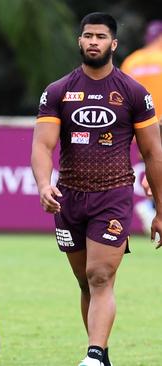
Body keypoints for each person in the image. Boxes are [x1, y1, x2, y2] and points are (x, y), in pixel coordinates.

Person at [32, 12, 162, 366]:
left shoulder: (133, 92)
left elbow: (152, 152)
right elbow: (43, 146)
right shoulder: (58, 90)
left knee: (100, 274)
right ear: (80, 41)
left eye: (100, 37)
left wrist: (161, 212)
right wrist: (44, 185)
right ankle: (100, 352)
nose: (93, 42)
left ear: (113, 44)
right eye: (87, 36)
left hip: (114, 195)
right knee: (85, 282)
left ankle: (94, 354)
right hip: (68, 198)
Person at [121, 20, 162, 233]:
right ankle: (150, 206)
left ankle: (151, 206)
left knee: (153, 165)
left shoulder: (132, 60)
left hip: (139, 124)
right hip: (159, 123)